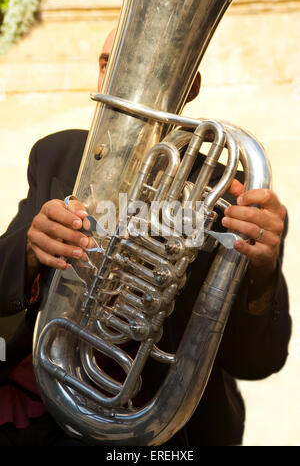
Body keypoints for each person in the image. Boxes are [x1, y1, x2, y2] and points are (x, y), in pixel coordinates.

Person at [0, 29, 291, 446]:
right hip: (46, 403)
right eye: (107, 63)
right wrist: (29, 249)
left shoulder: (233, 196)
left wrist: (262, 269)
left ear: (191, 87)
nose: (118, 77)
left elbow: (259, 361)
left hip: (159, 430)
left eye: (138, 64)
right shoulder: (58, 154)